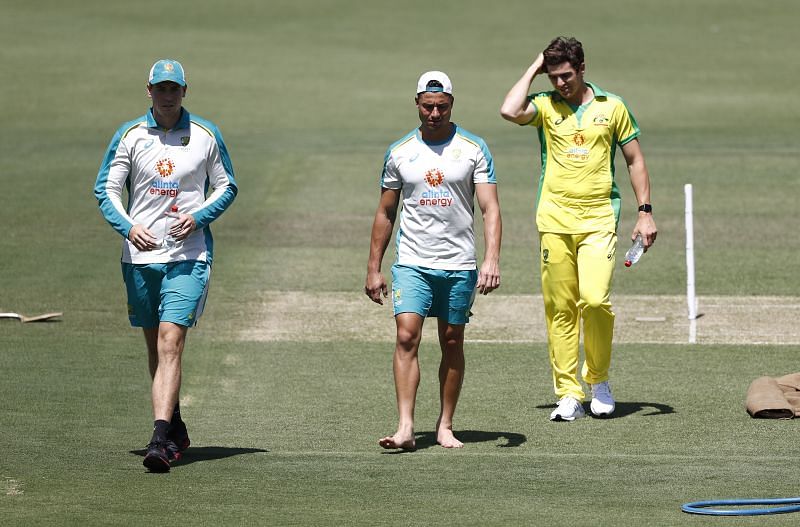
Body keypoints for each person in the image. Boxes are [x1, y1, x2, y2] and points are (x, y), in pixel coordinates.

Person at [500, 37, 657, 421]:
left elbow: (634, 160)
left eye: (566, 75)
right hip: (554, 220)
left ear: (583, 68)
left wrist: (645, 212)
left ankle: (598, 380)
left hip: (599, 220)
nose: (561, 84)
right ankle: (568, 393)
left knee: (596, 300)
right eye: (553, 76)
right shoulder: (544, 105)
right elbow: (508, 110)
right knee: (560, 309)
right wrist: (535, 66)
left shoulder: (612, 106)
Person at [94, 59, 238, 471]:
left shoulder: (205, 135)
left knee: (171, 341)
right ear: (149, 91)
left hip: (188, 256)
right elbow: (106, 190)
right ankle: (174, 424)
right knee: (155, 346)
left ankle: (159, 439)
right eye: (161, 88)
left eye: (175, 88)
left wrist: (198, 218)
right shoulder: (131, 135)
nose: (168, 95)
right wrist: (128, 227)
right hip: (140, 257)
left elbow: (227, 185)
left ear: (184, 92)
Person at [365, 71, 502, 449]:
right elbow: (385, 213)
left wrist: (491, 259)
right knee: (407, 335)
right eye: (428, 106)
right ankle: (406, 427)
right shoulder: (400, 152)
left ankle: (445, 425)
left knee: (451, 339)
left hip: (459, 263)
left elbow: (490, 209)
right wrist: (374, 267)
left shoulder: (474, 148)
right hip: (412, 261)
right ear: (417, 104)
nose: (435, 113)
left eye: (442, 106)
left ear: (452, 105)